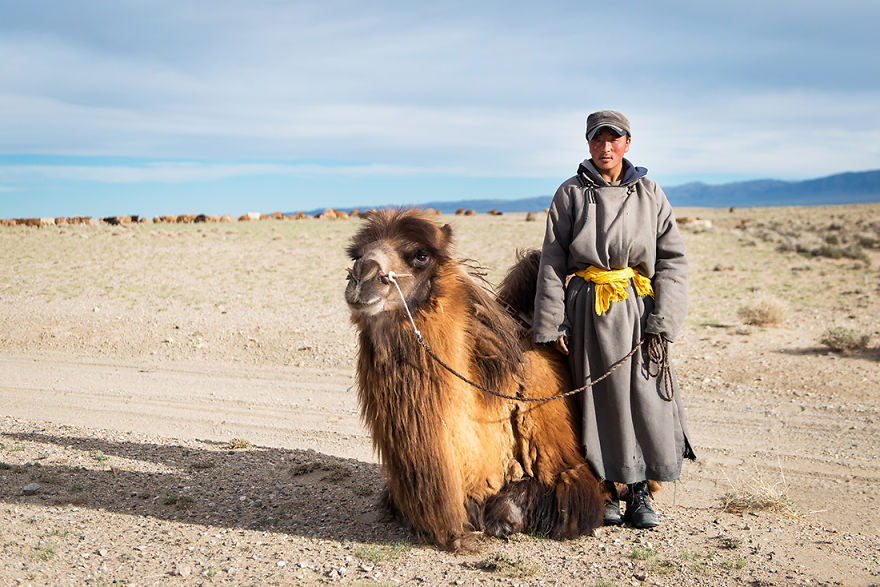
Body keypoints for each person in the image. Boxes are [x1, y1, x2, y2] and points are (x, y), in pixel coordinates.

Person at [533, 110, 695, 529]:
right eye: (597, 140)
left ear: (627, 143)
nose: (606, 147)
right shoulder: (571, 193)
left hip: (638, 308)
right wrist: (553, 324)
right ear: (588, 145)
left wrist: (663, 320)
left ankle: (639, 491)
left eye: (614, 139)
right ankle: (604, 489)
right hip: (588, 308)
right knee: (596, 399)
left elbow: (673, 260)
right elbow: (552, 261)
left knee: (643, 398)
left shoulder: (649, 192)